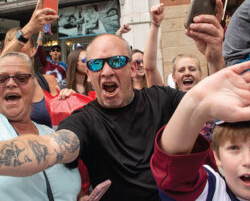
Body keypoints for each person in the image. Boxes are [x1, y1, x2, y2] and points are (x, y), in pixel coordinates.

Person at [0, 34, 186, 199]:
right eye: (97, 64)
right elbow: (54, 146)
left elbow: (205, 107)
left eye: (117, 61)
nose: (106, 72)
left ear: (132, 68)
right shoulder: (83, 120)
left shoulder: (162, 98)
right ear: (89, 74)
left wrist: (214, 58)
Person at [0, 51, 81, 200]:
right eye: (1, 79)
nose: (11, 83)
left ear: (34, 84)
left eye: (21, 78)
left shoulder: (50, 132)